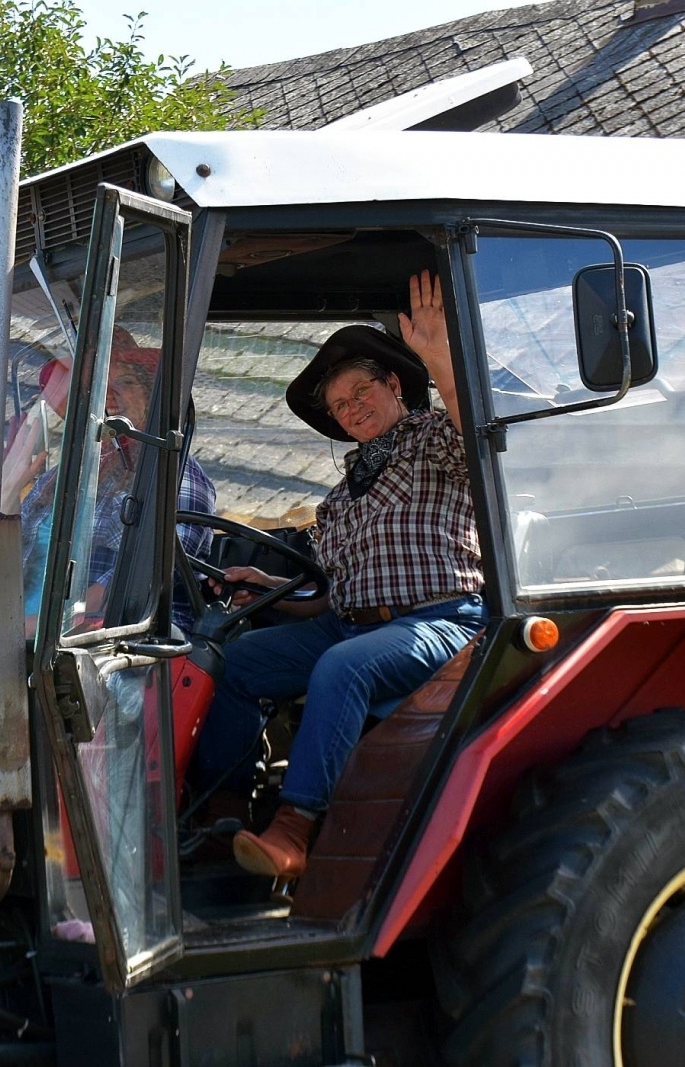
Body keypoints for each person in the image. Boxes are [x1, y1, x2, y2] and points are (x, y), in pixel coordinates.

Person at [190, 271, 486, 880]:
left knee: (342, 667)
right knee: (236, 661)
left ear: (395, 385)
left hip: (441, 619)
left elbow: (474, 431)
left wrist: (441, 360)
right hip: (349, 625)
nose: (352, 410)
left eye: (360, 393)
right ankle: (222, 813)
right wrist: (266, 588)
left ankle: (296, 828)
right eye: (341, 406)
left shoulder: (432, 439)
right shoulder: (338, 500)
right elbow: (328, 596)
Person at [16, 331, 216, 630]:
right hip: (32, 636)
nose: (109, 396)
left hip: (124, 645)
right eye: (97, 387)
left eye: (124, 382)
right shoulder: (58, 478)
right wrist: (8, 489)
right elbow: (6, 557)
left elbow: (146, 572)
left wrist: (31, 628)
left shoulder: (173, 472)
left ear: (150, 393)